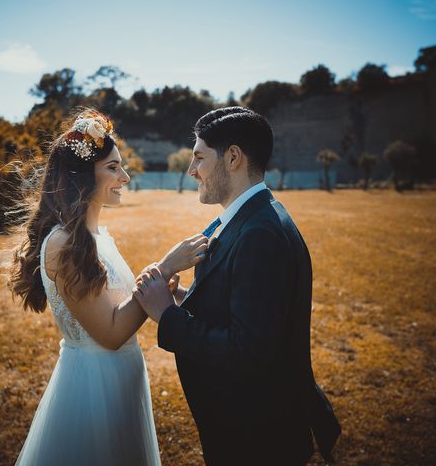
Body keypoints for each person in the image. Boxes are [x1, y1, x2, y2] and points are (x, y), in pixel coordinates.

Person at [133, 107, 341, 465]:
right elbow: (242, 305)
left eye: (199, 157)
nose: (191, 170)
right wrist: (182, 297)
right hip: (243, 428)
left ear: (232, 158)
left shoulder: (260, 233)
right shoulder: (246, 217)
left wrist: (167, 315)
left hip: (257, 438)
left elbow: (248, 352)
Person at [6, 109, 208, 466]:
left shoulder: (97, 236)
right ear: (83, 176)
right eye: (113, 168)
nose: (125, 177)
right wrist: (165, 267)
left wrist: (159, 286)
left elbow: (120, 306)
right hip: (92, 388)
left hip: (122, 381)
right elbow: (111, 333)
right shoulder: (63, 243)